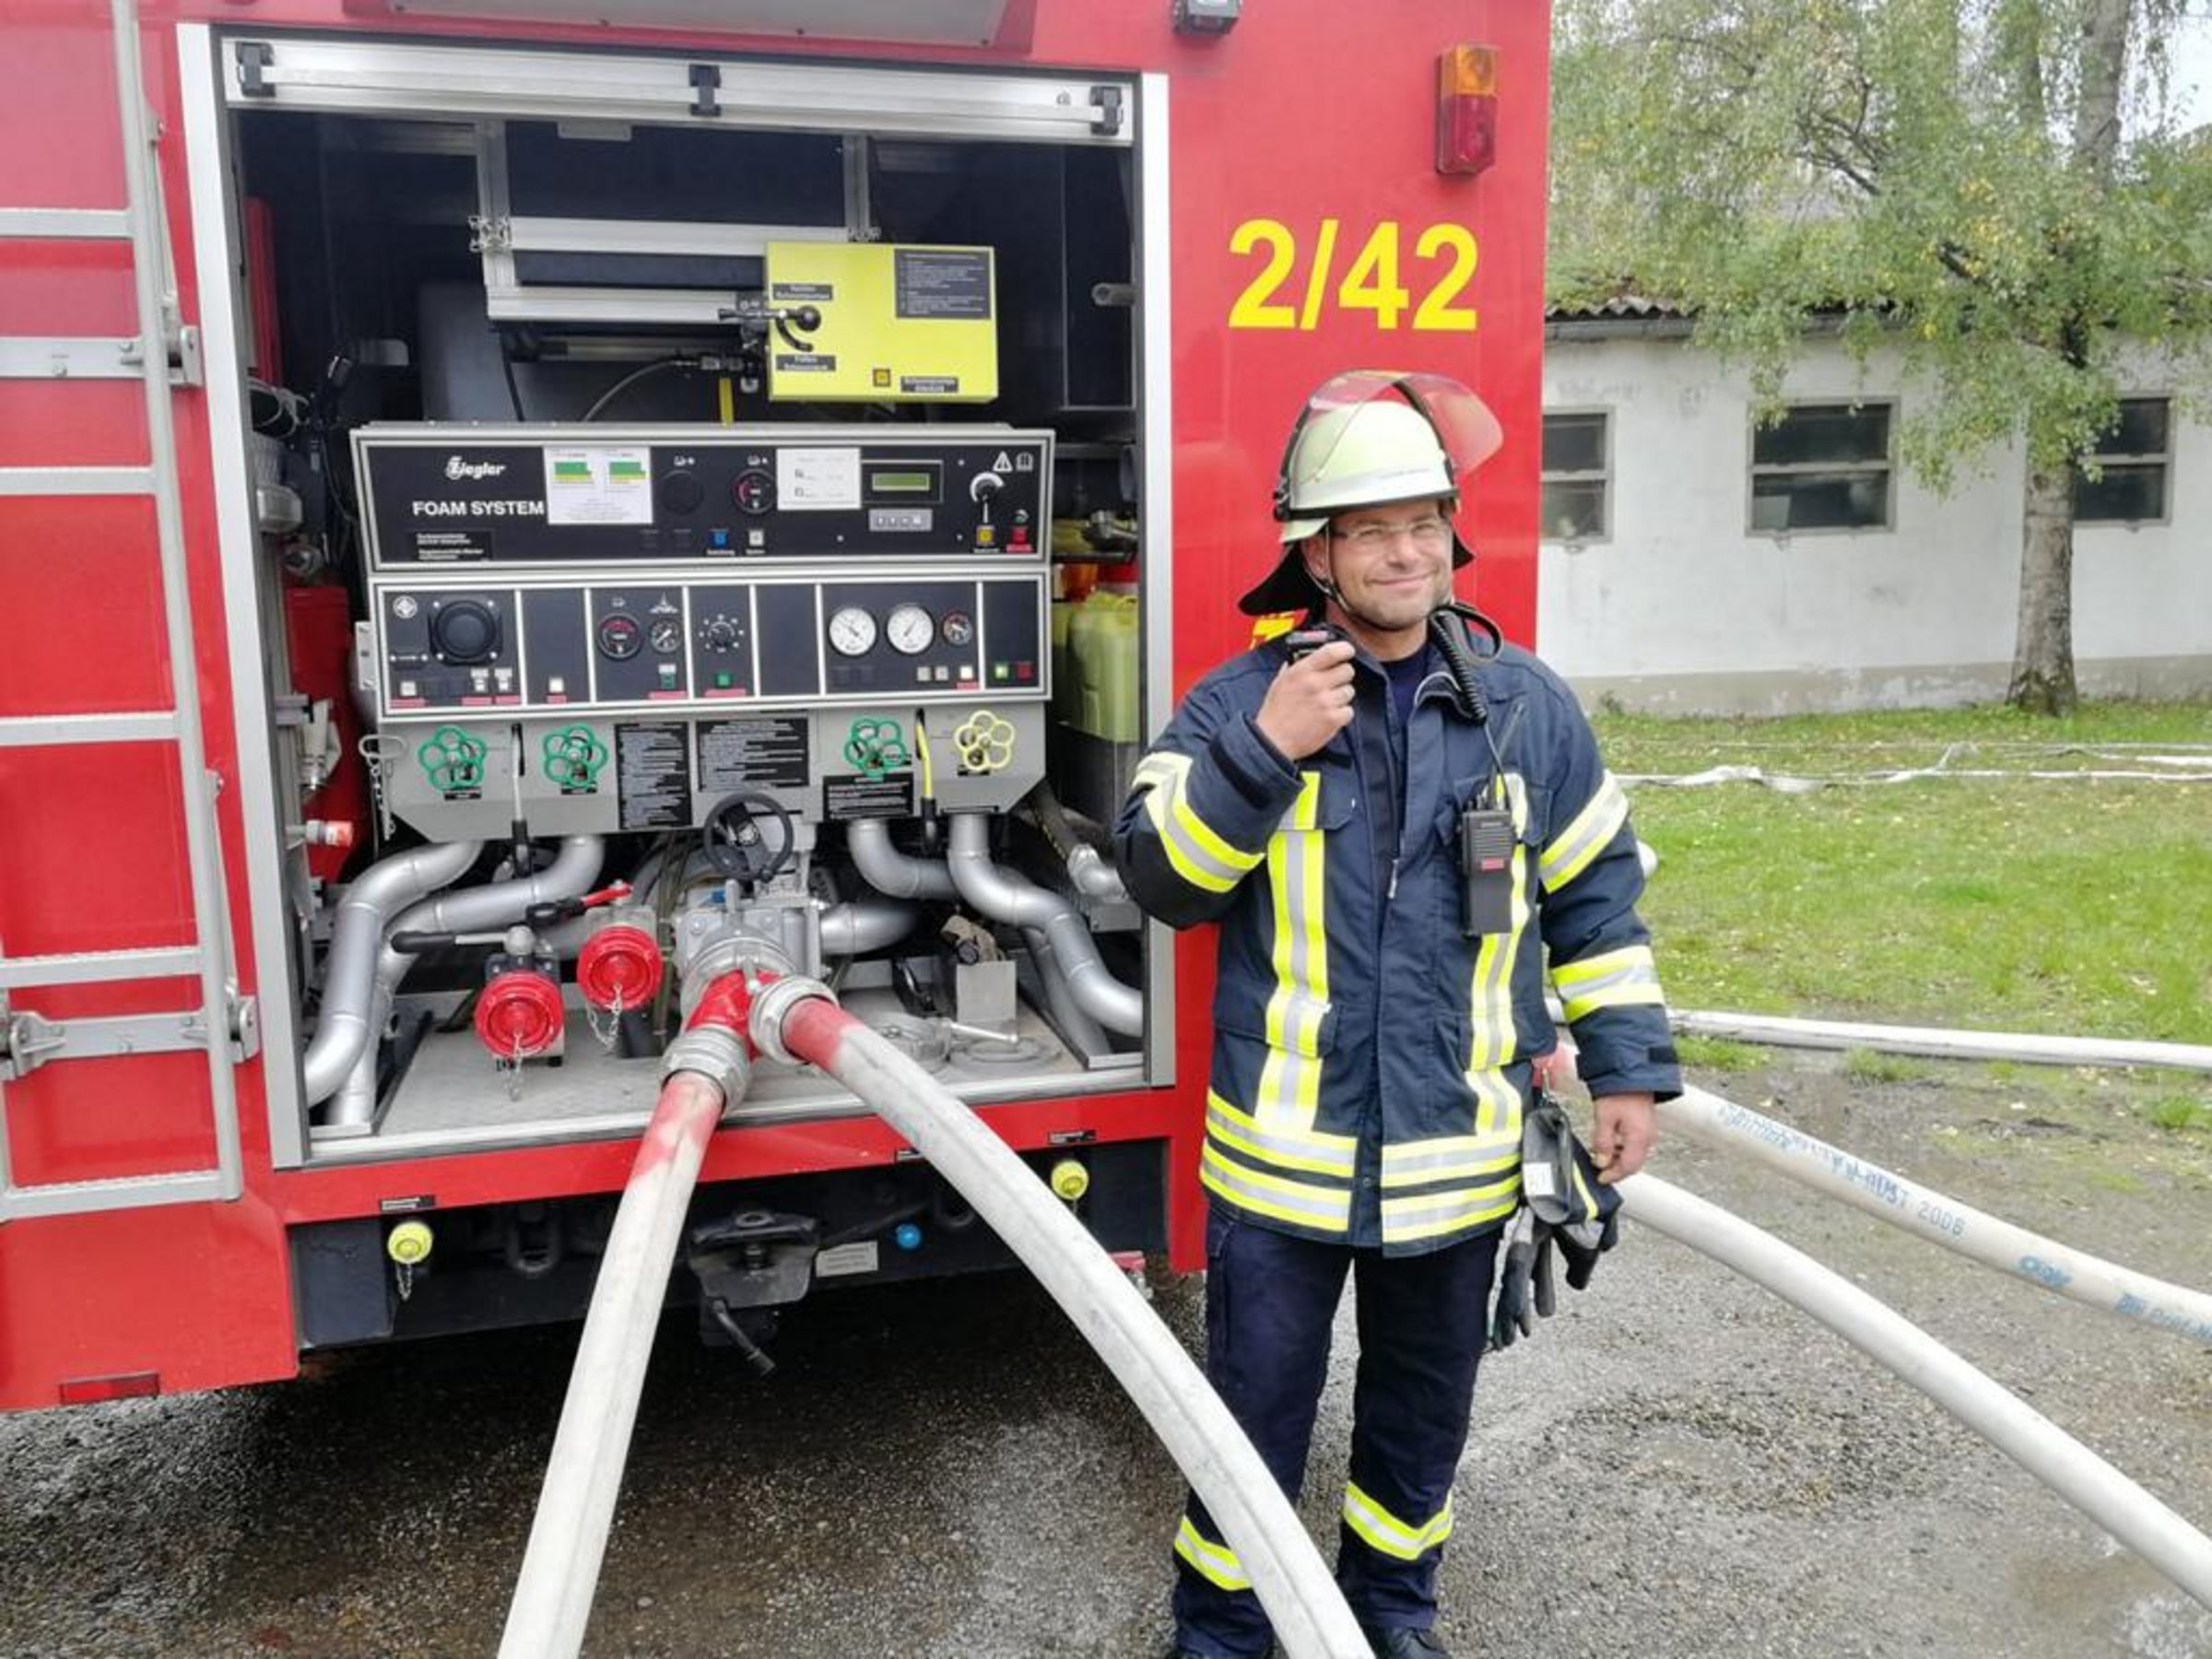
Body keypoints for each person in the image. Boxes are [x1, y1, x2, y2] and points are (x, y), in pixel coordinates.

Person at [1113, 371, 1682, 1659]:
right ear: (1317, 555)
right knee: (1249, 1425)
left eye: (1424, 523)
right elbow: (1164, 883)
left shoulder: (1524, 708)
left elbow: (1596, 898)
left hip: (1458, 1161)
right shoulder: (1238, 705)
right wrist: (1263, 750)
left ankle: (1391, 1621)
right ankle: (1223, 1637)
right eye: (1372, 531)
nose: (1407, 552)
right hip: (1283, 1170)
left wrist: (1628, 1072)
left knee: (1421, 1427)